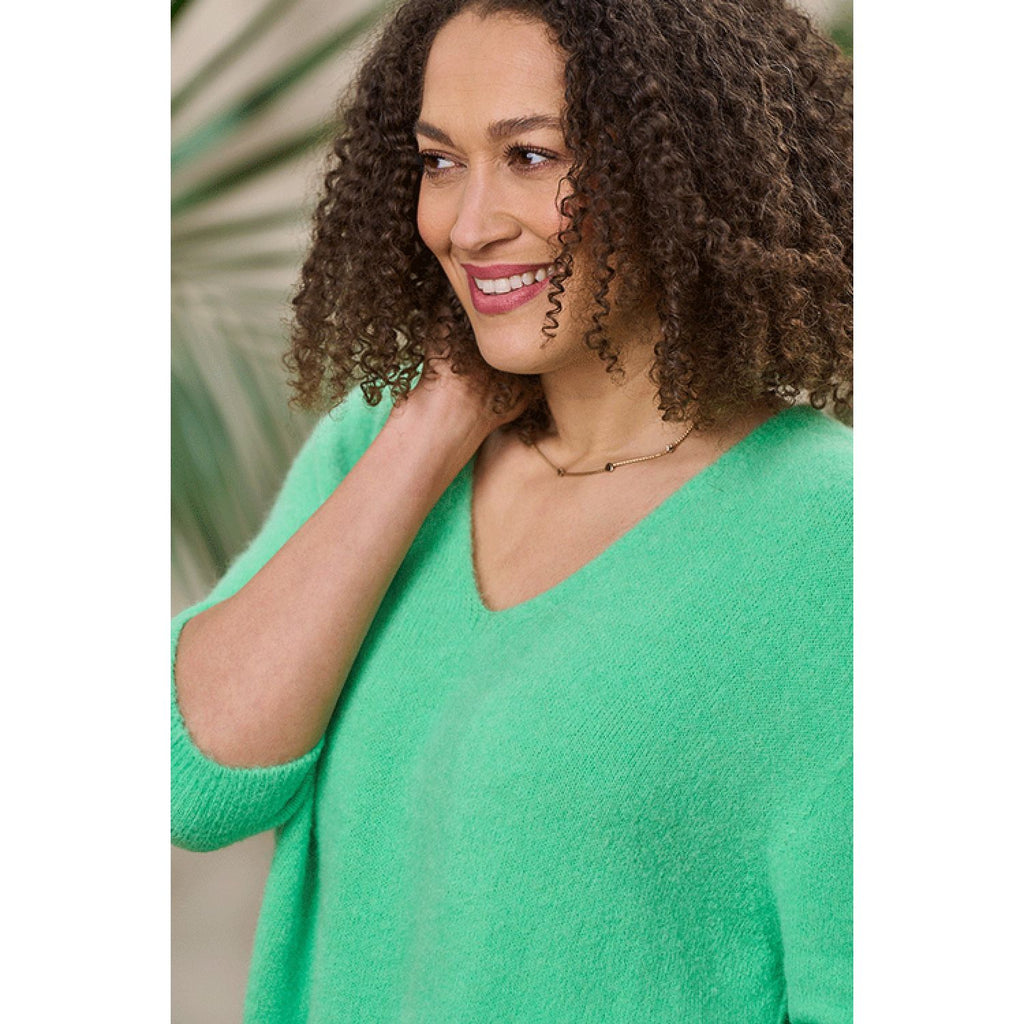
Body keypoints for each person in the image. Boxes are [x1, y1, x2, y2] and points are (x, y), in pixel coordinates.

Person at [171, 0, 852, 1021]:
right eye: (440, 162)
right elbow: (195, 779)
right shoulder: (381, 448)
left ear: (688, 168)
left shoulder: (836, 543)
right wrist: (437, 421)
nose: (468, 223)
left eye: (531, 157)